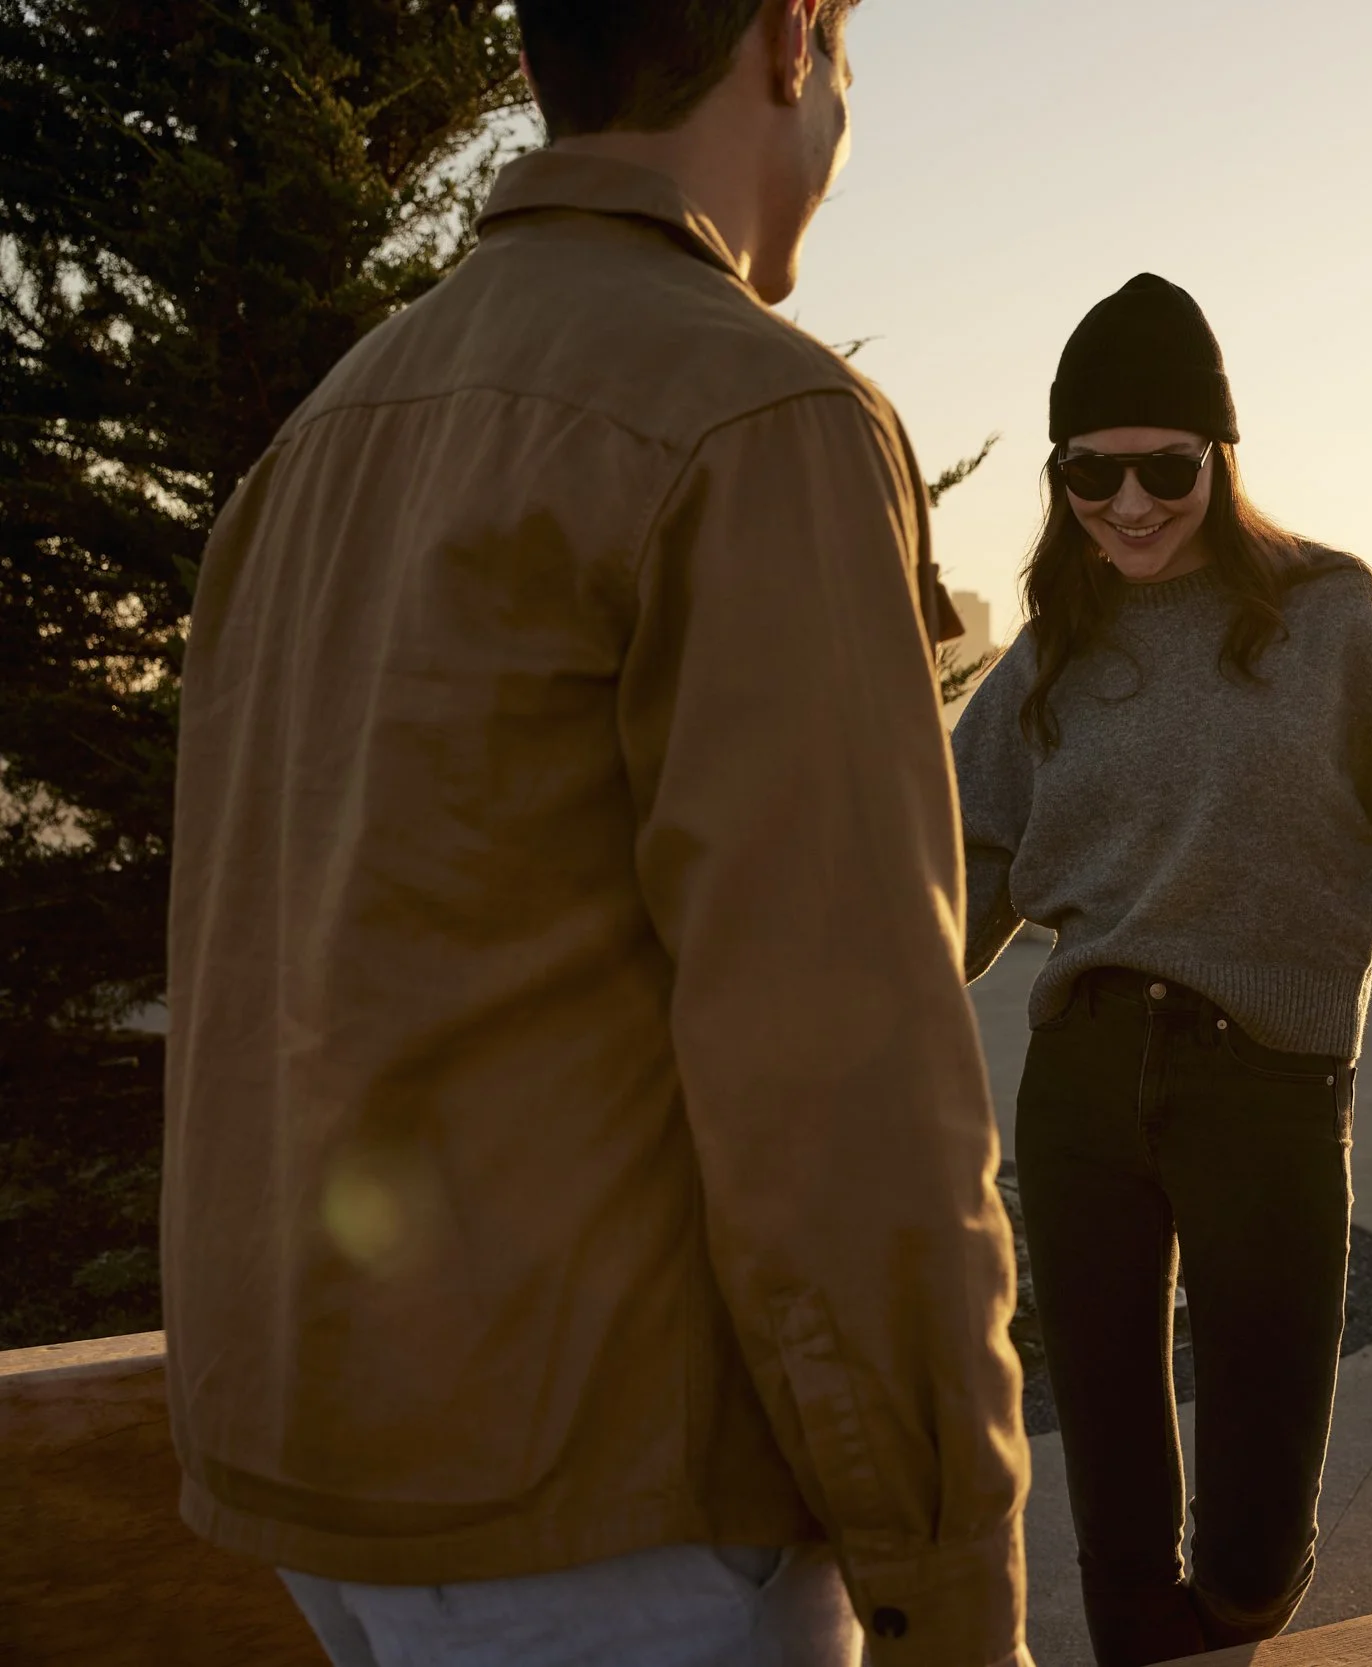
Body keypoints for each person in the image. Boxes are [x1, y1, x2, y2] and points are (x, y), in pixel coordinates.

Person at [161, 4, 1029, 1664]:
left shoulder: (320, 439)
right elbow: (845, 1072)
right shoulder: (757, 414)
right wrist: (948, 1571)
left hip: (324, 1483)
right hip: (613, 1517)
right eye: (849, 62)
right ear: (790, 43)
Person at [950, 273, 1372, 1664]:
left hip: (1267, 1081)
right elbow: (965, 871)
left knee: (1251, 1545)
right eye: (1091, 473)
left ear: (1220, 455)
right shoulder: (1050, 650)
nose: (1128, 504)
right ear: (1060, 473)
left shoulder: (1329, 611)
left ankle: (1231, 1621)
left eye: (1164, 468)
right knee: (1115, 1485)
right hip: (1082, 1075)